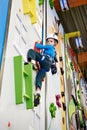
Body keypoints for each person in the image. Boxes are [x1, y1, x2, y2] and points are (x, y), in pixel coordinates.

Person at [26, 33, 58, 106]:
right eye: (48, 41)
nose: (49, 42)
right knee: (39, 78)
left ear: (54, 43)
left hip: (45, 59)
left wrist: (37, 43)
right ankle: (38, 92)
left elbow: (39, 46)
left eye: (51, 41)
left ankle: (32, 63)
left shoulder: (49, 47)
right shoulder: (54, 51)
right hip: (46, 67)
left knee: (31, 51)